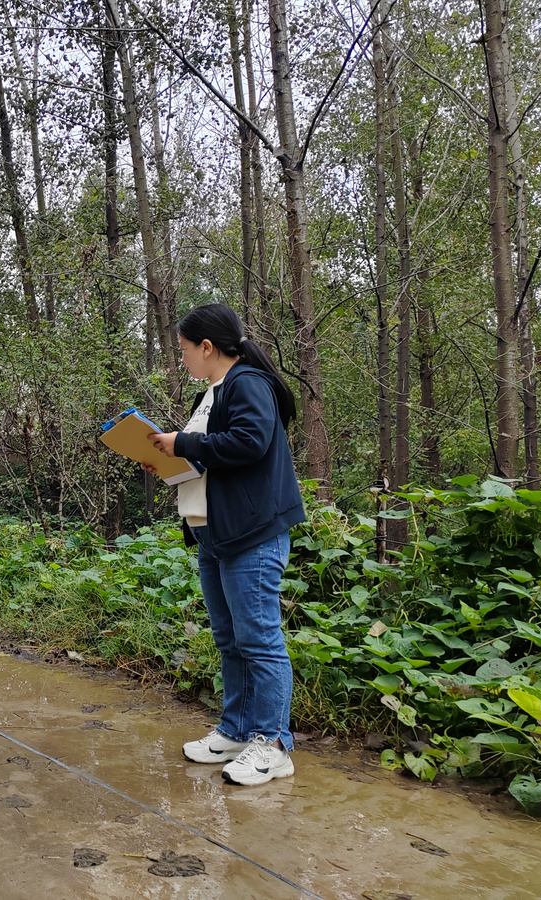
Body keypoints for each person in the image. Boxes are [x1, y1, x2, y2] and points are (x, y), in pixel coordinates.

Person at [146, 304, 305, 786]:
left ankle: (274, 743)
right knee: (230, 639)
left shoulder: (247, 383)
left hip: (252, 535)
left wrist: (185, 446)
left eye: (185, 351)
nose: (183, 360)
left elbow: (250, 442)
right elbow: (216, 454)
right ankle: (236, 731)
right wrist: (173, 459)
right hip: (216, 533)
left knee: (259, 639)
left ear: (208, 347)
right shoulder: (212, 393)